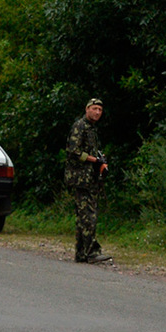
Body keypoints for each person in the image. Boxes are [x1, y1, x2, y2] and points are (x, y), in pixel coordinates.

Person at [65, 98, 111, 263]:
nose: (97, 112)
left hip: (89, 178)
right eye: (94, 109)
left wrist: (100, 160)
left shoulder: (91, 129)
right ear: (87, 109)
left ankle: (82, 253)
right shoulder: (80, 126)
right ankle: (91, 252)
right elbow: (73, 151)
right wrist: (94, 160)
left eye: (100, 109)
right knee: (88, 216)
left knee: (84, 216)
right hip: (80, 178)